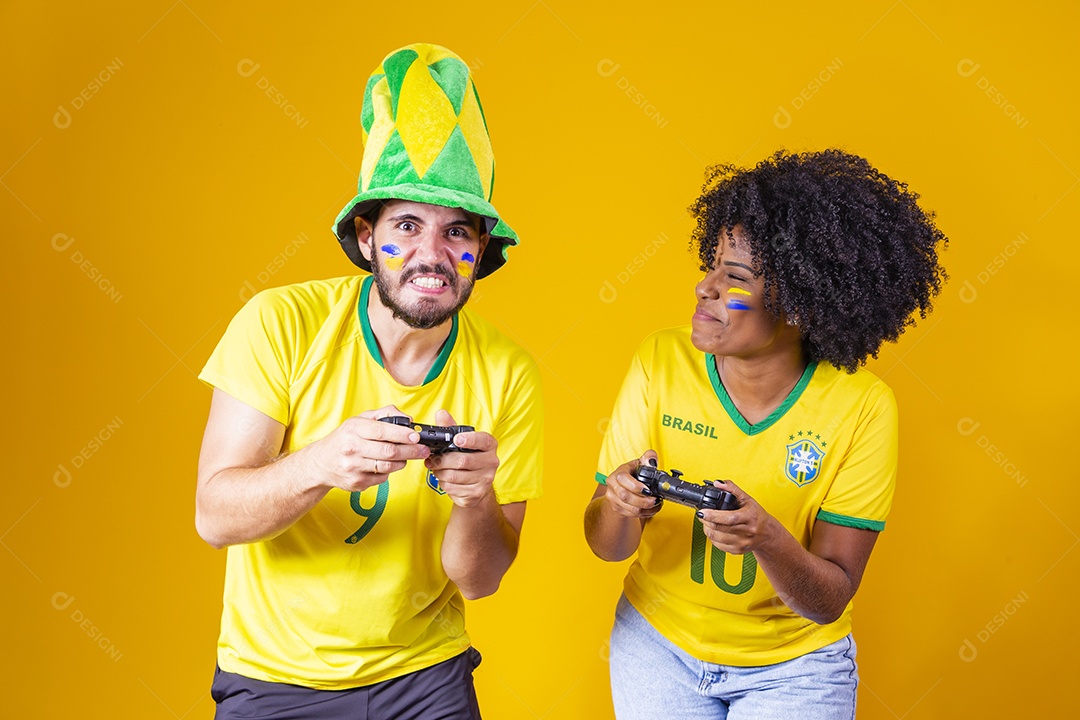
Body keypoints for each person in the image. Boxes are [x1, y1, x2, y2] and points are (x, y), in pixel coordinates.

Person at [196, 43, 542, 720]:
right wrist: (322, 462)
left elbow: (482, 581)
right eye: (406, 226)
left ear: (480, 252)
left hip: (424, 677)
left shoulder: (509, 370)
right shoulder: (278, 322)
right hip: (273, 678)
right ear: (365, 235)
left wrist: (474, 498)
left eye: (457, 233)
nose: (432, 256)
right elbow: (214, 517)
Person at [584, 149, 946, 719]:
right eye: (712, 265)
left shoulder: (862, 407)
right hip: (656, 645)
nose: (705, 287)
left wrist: (767, 539)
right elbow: (607, 546)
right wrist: (622, 503)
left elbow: (829, 600)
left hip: (795, 668)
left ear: (801, 303)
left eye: (736, 276)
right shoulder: (660, 359)